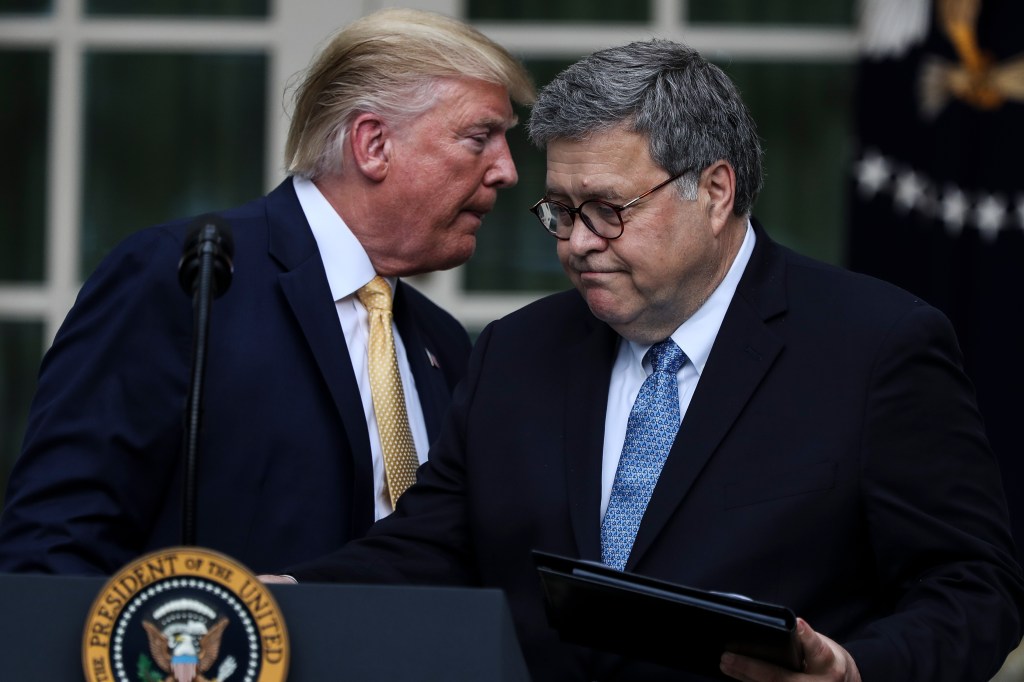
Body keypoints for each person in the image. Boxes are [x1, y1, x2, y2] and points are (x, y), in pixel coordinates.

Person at [267, 38, 1024, 681]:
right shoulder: (514, 352)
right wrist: (280, 596)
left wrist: (859, 668)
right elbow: (430, 546)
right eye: (560, 212)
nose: (578, 242)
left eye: (607, 209)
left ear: (716, 191)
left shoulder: (876, 347)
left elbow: (974, 588)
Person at [0, 8, 534, 576]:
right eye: (480, 138)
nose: (507, 171)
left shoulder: (443, 342)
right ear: (373, 144)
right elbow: (52, 543)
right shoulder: (187, 279)